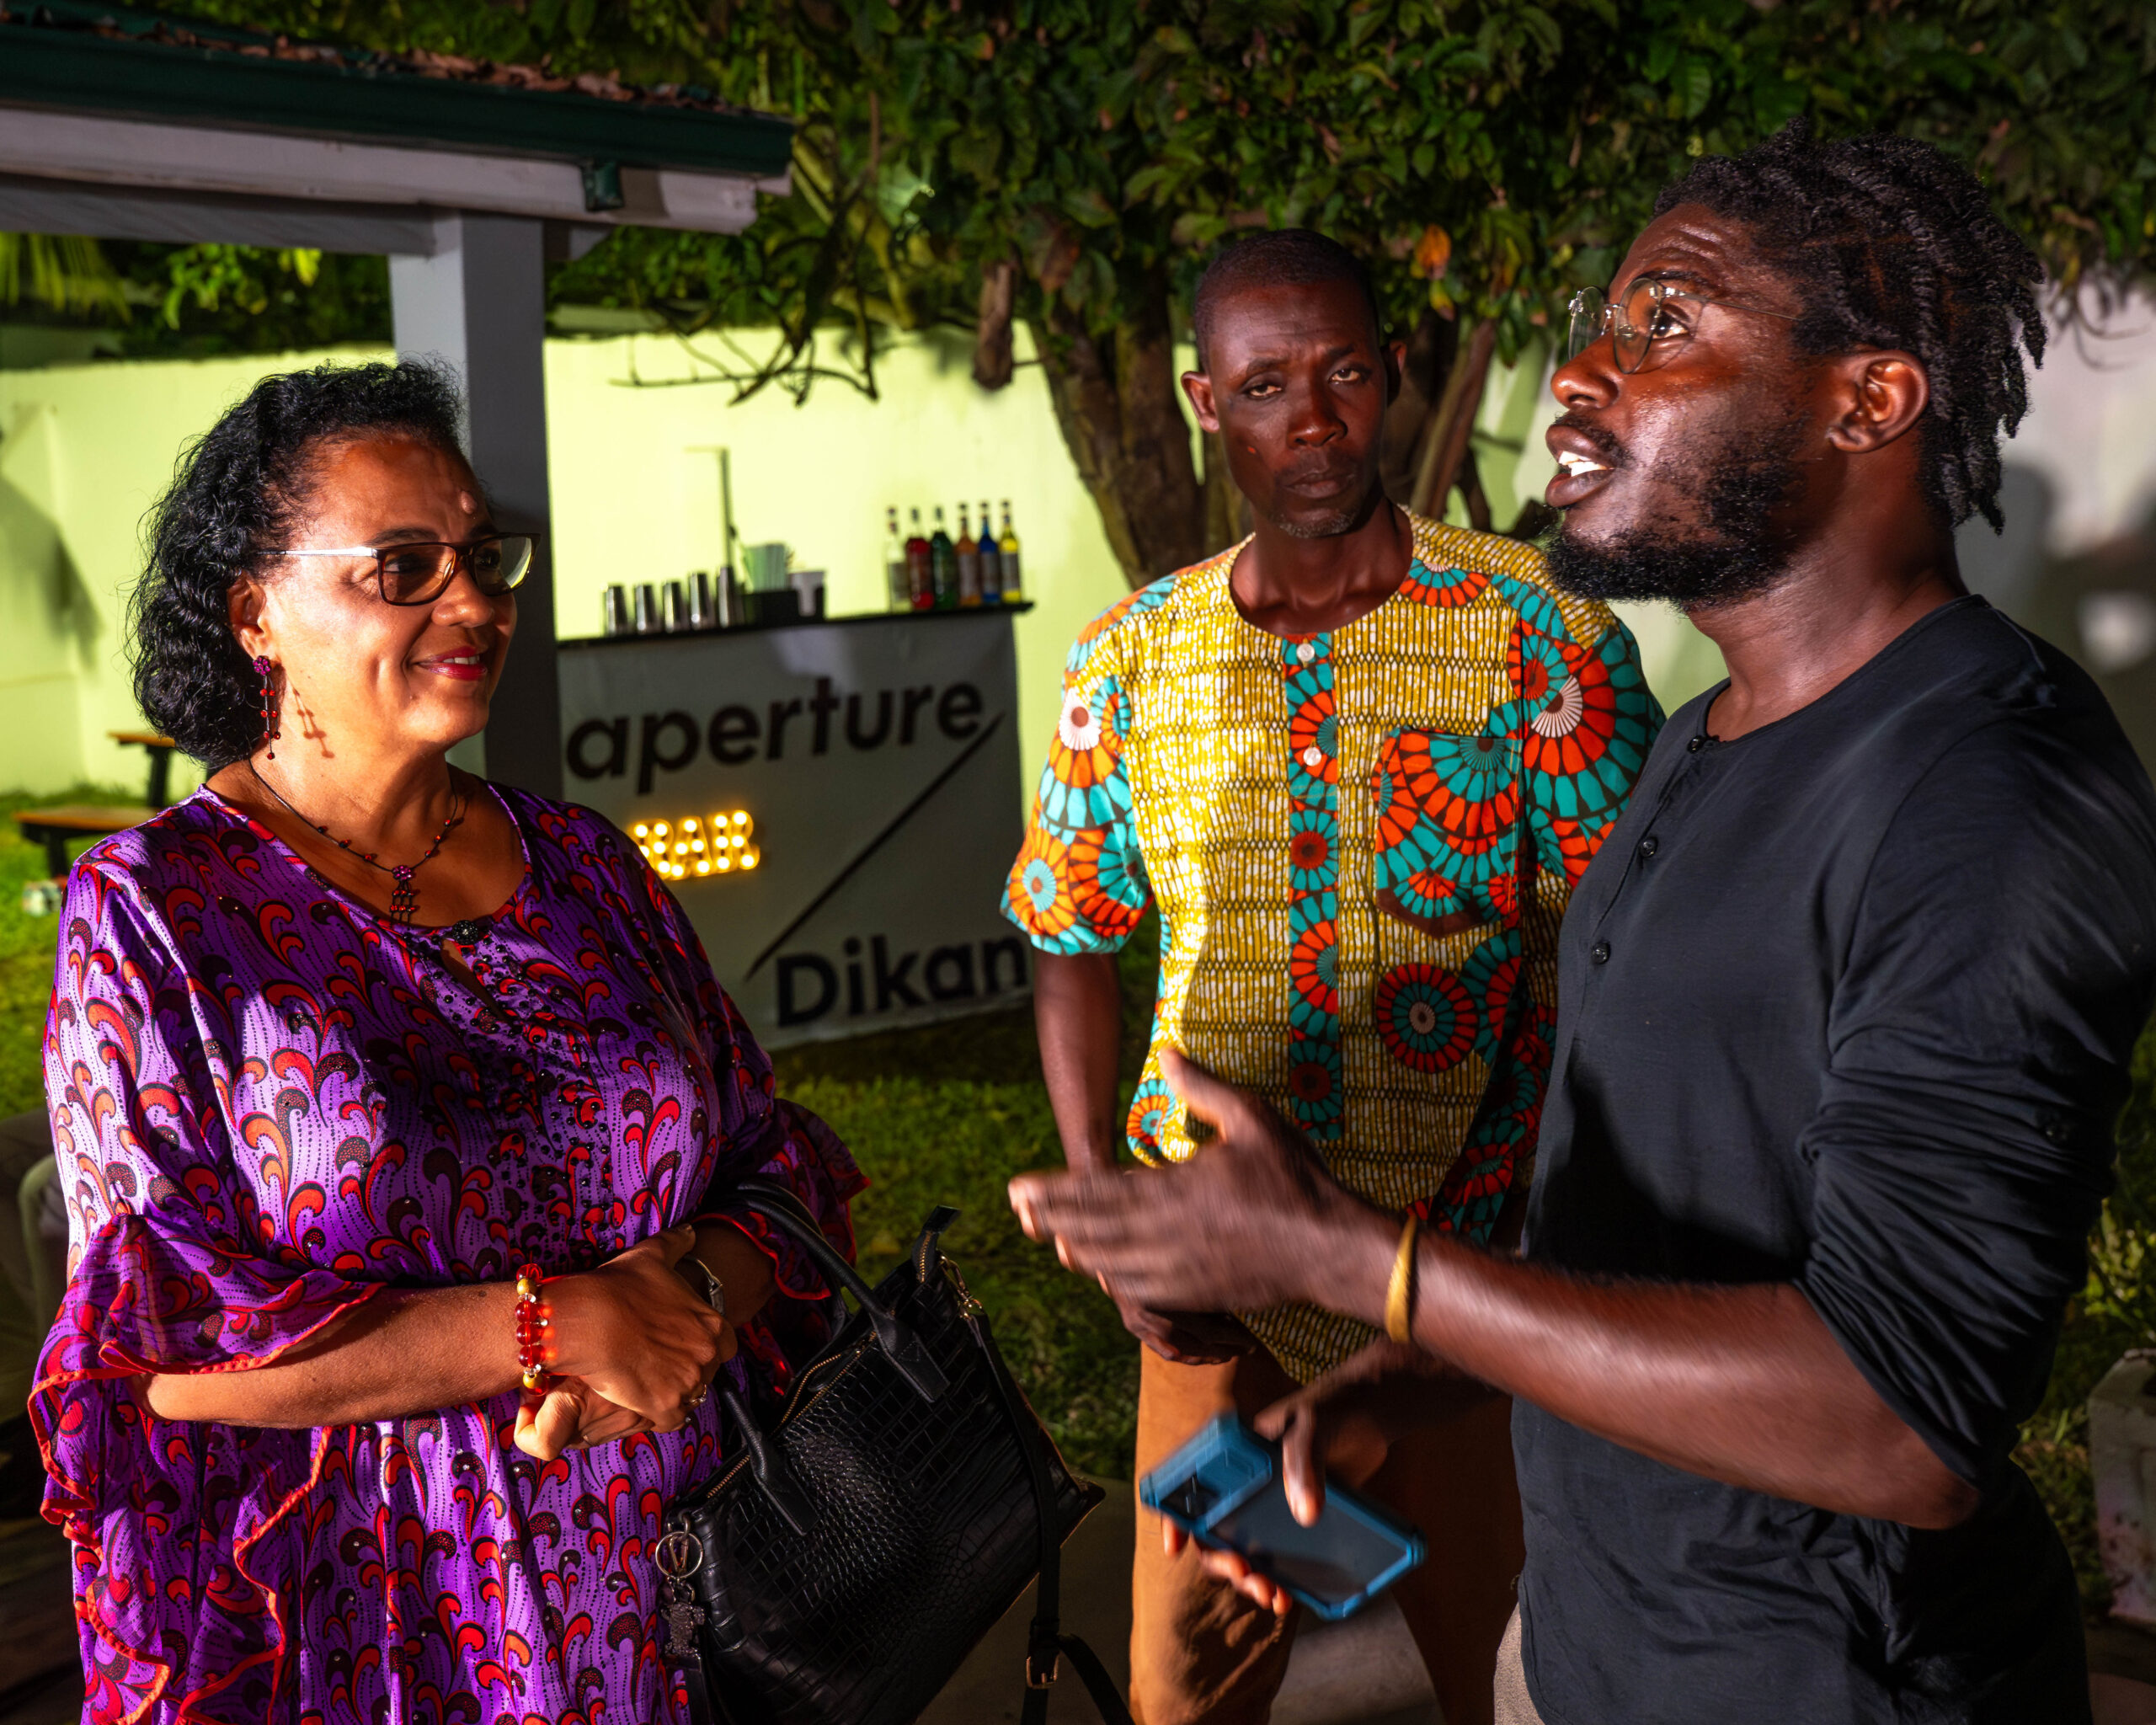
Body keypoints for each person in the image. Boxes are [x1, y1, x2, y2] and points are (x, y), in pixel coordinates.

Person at [1009, 123, 2156, 1725]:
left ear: (1869, 399)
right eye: (1603, 325)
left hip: (1818, 1680)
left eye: (1666, 324)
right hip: (1589, 1644)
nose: (1581, 377)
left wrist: (1364, 1263)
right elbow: (1619, 1227)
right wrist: (1372, 1400)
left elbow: (1906, 1419)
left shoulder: (1990, 792)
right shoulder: (1700, 747)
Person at [34, 360, 863, 1724]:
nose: (473, 600)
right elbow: (159, 1358)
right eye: (402, 566)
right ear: (259, 613)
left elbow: (779, 1173)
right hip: (375, 1611)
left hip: (676, 1575)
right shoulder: (160, 915)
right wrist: (549, 1323)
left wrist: (689, 1315)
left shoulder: (584, 865)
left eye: (481, 557)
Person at [1000, 229, 1657, 1725]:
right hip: (1213, 1297)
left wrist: (1571, 1231)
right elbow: (1071, 926)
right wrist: (1108, 1199)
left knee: (1516, 1675)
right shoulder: (1129, 663)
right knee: (1185, 1686)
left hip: (1463, 1292)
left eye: (1345, 373)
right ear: (1199, 401)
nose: (1313, 419)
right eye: (1267, 385)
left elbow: (1630, 958)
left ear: (1393, 377)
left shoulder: (1537, 636)